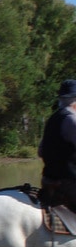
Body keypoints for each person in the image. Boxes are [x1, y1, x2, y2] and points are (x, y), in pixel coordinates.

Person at [38, 79, 76, 210]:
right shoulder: (72, 119)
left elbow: (40, 151)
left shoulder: (52, 119)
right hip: (69, 183)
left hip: (48, 180)